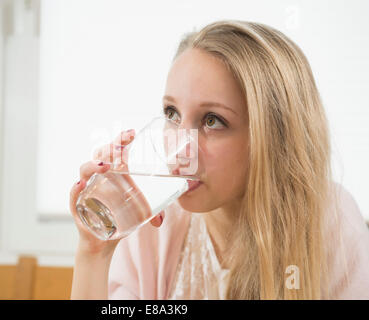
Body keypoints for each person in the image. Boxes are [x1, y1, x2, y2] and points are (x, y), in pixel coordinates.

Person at [69, 20, 369, 299]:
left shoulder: (332, 225)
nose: (180, 149)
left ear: (273, 138)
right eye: (172, 114)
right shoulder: (152, 220)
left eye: (212, 120)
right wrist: (95, 253)